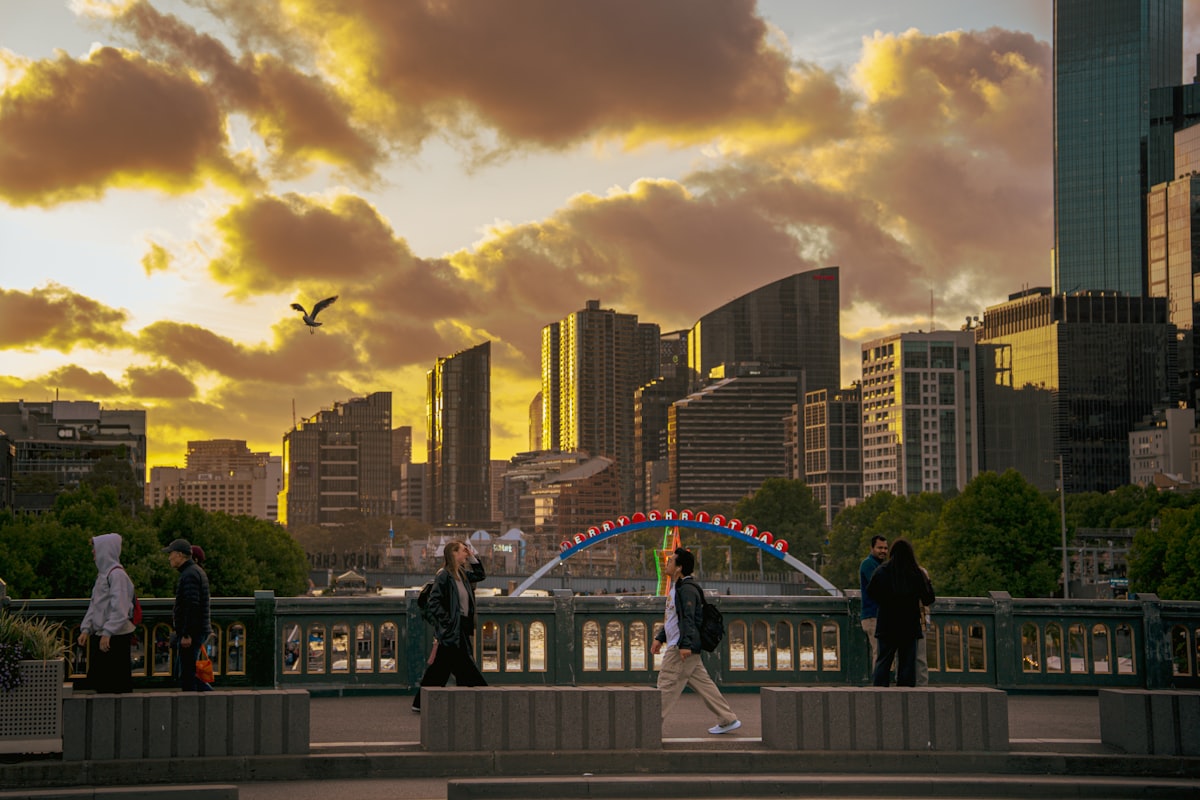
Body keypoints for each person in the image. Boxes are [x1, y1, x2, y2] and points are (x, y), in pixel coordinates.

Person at [651, 548, 741, 735]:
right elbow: (674, 619)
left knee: (666, 684)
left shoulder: (687, 590)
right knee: (704, 684)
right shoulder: (679, 587)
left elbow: (689, 619)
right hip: (683, 645)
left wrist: (685, 645)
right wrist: (660, 638)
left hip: (680, 648)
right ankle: (728, 719)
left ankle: (648, 727)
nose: (667, 563)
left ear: (679, 568)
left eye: (671, 561)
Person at [411, 540, 487, 712]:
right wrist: (447, 621)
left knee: (442, 667)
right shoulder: (444, 575)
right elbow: (434, 602)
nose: (466, 553)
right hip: (453, 627)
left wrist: (472, 557)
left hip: (462, 625)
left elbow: (481, 575)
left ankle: (420, 702)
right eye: (463, 550)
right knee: (462, 664)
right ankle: (482, 695)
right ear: (453, 553)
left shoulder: (462, 573)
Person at [867, 538, 935, 687]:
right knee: (907, 664)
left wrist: (885, 602)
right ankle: (905, 695)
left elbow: (871, 592)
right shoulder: (916, 573)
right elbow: (928, 598)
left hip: (887, 623)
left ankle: (878, 693)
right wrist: (927, 581)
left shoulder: (882, 571)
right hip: (909, 625)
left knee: (883, 662)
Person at [77, 532, 136, 694]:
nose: (93, 552)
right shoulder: (103, 575)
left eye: (95, 548)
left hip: (115, 637)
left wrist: (108, 632)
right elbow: (95, 604)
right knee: (103, 684)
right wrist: (86, 629)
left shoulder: (117, 575)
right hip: (105, 634)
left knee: (115, 685)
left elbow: (120, 608)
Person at [162, 537, 211, 691]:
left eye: (171, 554)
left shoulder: (189, 574)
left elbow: (191, 606)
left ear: (180, 555)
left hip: (192, 632)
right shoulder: (194, 571)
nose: (169, 557)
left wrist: (186, 634)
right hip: (196, 630)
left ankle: (204, 700)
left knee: (187, 674)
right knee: (188, 672)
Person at [859, 535, 888, 669]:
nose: (883, 551)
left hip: (880, 615)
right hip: (872, 615)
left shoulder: (880, 565)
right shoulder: (868, 564)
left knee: (883, 652)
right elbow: (879, 587)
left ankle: (881, 678)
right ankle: (878, 679)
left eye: (885, 548)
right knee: (879, 652)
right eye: (879, 548)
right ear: (872, 548)